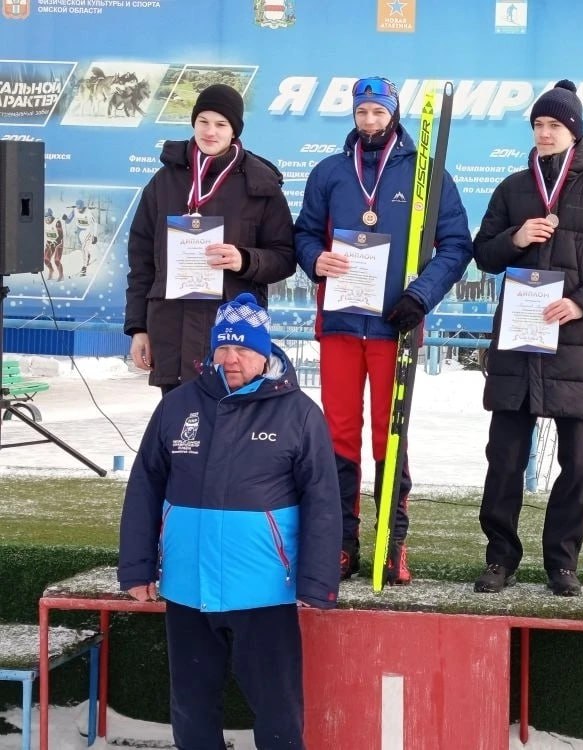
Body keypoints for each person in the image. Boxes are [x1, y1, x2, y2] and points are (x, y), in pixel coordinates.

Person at [118, 292, 341, 750]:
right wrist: (137, 568)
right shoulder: (178, 405)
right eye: (223, 347)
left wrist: (317, 581)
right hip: (187, 587)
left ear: (265, 352)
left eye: (242, 348)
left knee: (278, 712)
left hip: (263, 590)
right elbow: (144, 486)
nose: (231, 358)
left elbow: (322, 500)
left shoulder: (299, 413)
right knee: (191, 710)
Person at [294, 76, 473, 584]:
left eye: (379, 111)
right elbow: (304, 233)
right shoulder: (330, 172)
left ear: (394, 114)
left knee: (388, 435)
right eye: (362, 112)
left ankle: (393, 543)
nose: (370, 120)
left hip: (395, 328)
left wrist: (421, 296)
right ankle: (341, 542)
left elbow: (456, 244)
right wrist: (315, 259)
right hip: (340, 324)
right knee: (339, 433)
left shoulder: (425, 173)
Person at [471, 79, 583, 596]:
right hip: (518, 342)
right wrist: (516, 237)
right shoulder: (512, 188)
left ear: (575, 132)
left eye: (555, 125)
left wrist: (580, 302)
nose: (545, 133)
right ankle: (500, 558)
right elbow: (484, 254)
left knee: (577, 464)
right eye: (538, 125)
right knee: (504, 459)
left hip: (574, 343)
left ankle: (562, 563)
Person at [125, 83, 295, 395]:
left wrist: (245, 259)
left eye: (221, 124)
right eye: (203, 121)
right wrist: (138, 328)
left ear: (234, 131)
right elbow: (142, 261)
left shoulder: (260, 184)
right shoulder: (164, 181)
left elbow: (285, 257)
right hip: (171, 332)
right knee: (180, 420)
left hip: (233, 338)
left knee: (230, 419)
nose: (210, 132)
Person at [42, 208, 64, 281]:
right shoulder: (43, 222)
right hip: (49, 242)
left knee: (56, 260)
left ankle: (61, 275)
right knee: (46, 259)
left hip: (58, 243)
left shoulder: (57, 222)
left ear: (51, 216)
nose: (47, 220)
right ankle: (51, 270)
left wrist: (55, 242)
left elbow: (61, 235)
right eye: (45, 218)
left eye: (49, 218)